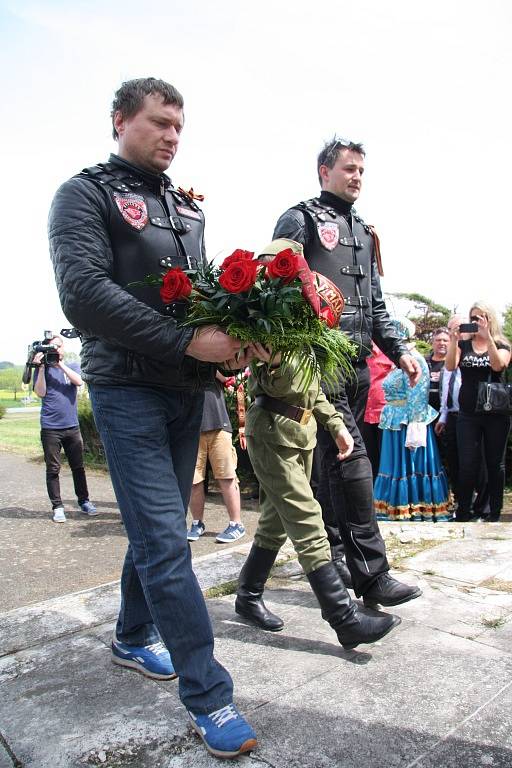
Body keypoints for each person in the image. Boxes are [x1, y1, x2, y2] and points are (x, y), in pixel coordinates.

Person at [48, 77, 256, 759]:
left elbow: (197, 304)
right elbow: (84, 295)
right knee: (169, 541)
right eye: (159, 122)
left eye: (178, 126)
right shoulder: (85, 194)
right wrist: (188, 342)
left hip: (189, 390)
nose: (171, 135)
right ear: (120, 121)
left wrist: (233, 347)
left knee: (155, 529)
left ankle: (132, 636)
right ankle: (211, 695)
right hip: (127, 389)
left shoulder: (185, 207)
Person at [273, 137, 422, 608]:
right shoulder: (300, 219)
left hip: (357, 369)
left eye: (362, 170)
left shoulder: (363, 231)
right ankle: (373, 575)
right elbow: (271, 284)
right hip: (316, 369)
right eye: (349, 169)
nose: (357, 177)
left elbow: (376, 306)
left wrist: (399, 350)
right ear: (324, 171)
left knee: (330, 472)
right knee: (353, 464)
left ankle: (334, 556)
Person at [235, 240, 401, 649]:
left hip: (300, 434)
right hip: (272, 433)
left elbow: (314, 387)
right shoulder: (260, 325)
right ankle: (344, 620)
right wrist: (271, 361)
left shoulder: (300, 327)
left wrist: (335, 425)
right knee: (309, 522)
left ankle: (247, 596)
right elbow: (277, 385)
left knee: (275, 521)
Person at [373, 319, 450, 521]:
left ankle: (414, 506)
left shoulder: (416, 359)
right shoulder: (396, 362)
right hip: (394, 421)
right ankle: (393, 506)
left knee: (409, 466)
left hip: (408, 423)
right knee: (393, 465)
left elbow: (417, 395)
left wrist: (415, 430)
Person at [445, 301, 511, 523]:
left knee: (495, 463)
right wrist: (454, 340)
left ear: (489, 319)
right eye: (472, 318)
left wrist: (488, 338)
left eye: (480, 318)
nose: (476, 322)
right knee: (468, 463)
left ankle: (493, 512)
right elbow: (450, 366)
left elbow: (498, 366)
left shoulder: (502, 344)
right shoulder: (464, 346)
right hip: (468, 413)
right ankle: (464, 512)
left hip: (496, 414)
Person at [33, 334, 97, 523]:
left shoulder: (71, 365)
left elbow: (78, 382)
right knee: (53, 469)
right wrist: (43, 366)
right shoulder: (42, 369)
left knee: (78, 467)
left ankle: (84, 501)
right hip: (50, 427)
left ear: (63, 348)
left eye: (58, 346)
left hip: (72, 426)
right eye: (52, 347)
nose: (56, 350)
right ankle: (58, 506)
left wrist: (60, 364)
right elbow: (40, 392)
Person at [188, 372, 246, 544]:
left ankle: (236, 524)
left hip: (219, 424)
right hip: (191, 427)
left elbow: (229, 376)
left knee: (227, 476)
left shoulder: (212, 357)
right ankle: (197, 523)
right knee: (193, 480)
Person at [360, 342, 395, 480]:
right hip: (363, 413)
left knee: (386, 457)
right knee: (368, 456)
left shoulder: (389, 353)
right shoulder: (359, 353)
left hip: (384, 414)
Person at [425, 327, 450, 412]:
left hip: (446, 411)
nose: (441, 343)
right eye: (438, 340)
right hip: (425, 410)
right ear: (432, 342)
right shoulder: (423, 362)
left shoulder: (454, 364)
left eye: (445, 340)